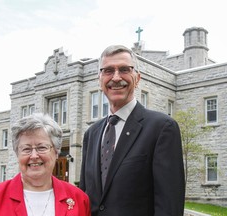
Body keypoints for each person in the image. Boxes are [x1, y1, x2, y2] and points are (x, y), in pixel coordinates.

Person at [79, 45, 185, 216]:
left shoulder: (162, 128)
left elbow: (169, 206)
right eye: (108, 71)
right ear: (99, 80)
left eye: (124, 69)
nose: (116, 77)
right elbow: (84, 198)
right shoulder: (91, 134)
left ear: (137, 78)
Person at [0, 113, 91, 216]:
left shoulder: (78, 199)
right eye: (26, 149)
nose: (34, 156)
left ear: (56, 152)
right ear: (17, 153)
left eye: (42, 147)